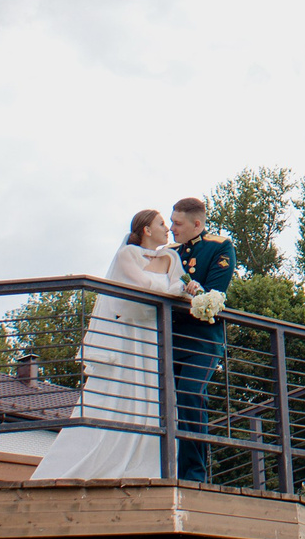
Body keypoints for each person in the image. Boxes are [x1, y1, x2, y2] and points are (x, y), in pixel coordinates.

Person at [30, 209, 179, 481]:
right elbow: (144, 284)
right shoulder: (128, 255)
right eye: (161, 223)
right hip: (129, 330)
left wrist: (181, 290)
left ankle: (149, 465)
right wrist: (172, 290)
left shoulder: (171, 257)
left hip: (152, 334)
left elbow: (179, 286)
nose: (167, 228)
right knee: (121, 387)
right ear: (146, 229)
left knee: (153, 393)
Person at [168, 196, 236, 483]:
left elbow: (215, 293)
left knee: (191, 395)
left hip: (202, 339)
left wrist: (193, 292)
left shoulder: (219, 247)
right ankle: (166, 469)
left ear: (197, 223)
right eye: (170, 222)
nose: (172, 228)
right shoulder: (168, 251)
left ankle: (194, 474)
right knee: (166, 403)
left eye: (177, 223)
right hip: (169, 337)